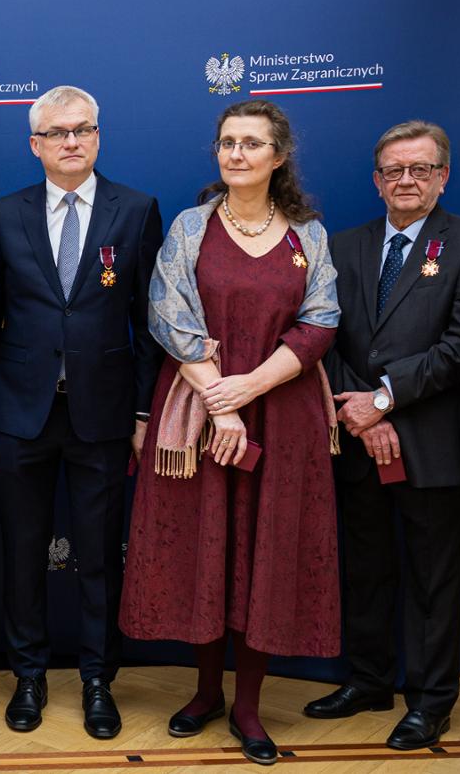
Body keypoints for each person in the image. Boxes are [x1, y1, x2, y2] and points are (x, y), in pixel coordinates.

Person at [122, 99, 341, 766]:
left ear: (278, 158)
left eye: (251, 143)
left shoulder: (310, 234)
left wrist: (248, 389)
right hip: (196, 410)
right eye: (226, 142)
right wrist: (220, 404)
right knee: (202, 546)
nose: (236, 153)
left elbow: (321, 319)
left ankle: (248, 704)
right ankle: (204, 692)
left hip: (282, 412)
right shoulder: (191, 227)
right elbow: (168, 311)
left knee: (263, 550)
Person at [303, 121, 460, 751]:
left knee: (433, 580)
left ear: (443, 176)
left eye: (420, 169)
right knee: (364, 569)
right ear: (377, 180)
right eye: (394, 170)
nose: (406, 180)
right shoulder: (343, 244)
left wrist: (383, 401)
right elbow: (320, 335)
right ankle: (367, 681)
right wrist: (357, 410)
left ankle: (431, 699)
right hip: (355, 439)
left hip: (430, 442)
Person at [0, 85, 163, 740]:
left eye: (83, 129)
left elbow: (149, 322)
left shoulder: (135, 211)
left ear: (99, 136)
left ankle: (95, 680)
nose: (72, 141)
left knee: (98, 556)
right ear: (36, 145)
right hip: (21, 416)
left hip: (104, 417)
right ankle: (26, 676)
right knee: (22, 551)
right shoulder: (4, 213)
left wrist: (143, 414)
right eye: (57, 132)